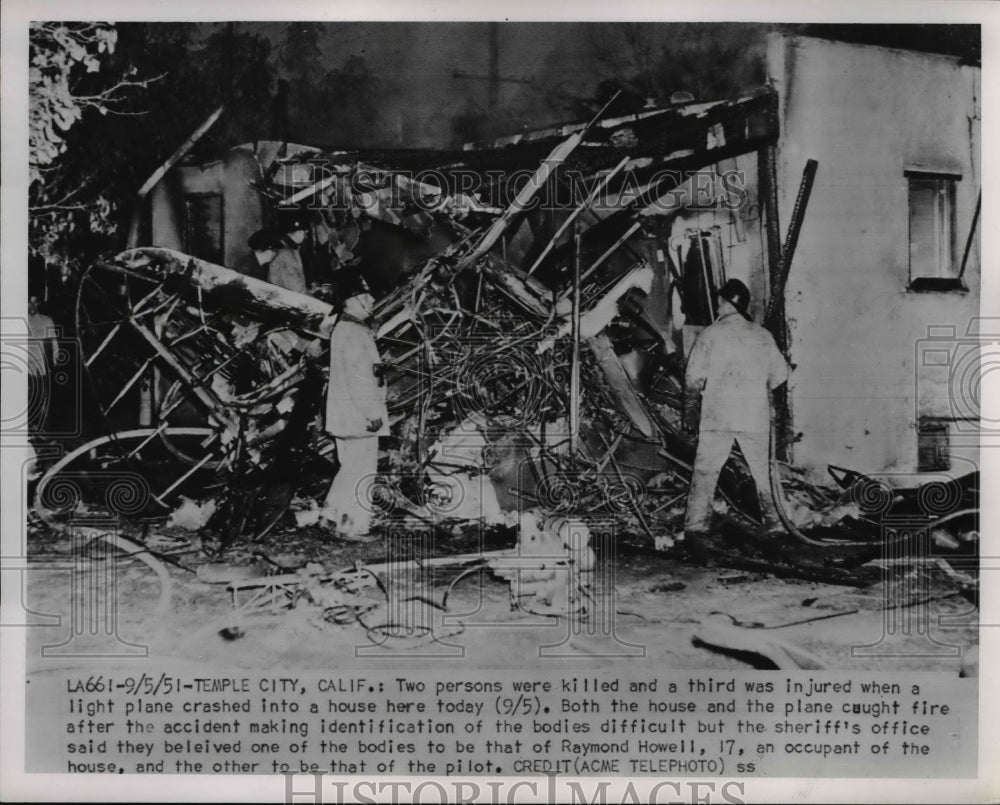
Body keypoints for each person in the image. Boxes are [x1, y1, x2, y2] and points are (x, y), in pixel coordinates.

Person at [682, 278, 789, 548]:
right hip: (754, 415)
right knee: (763, 472)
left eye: (719, 301)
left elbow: (693, 379)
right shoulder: (762, 335)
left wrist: (690, 412)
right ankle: (777, 523)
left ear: (728, 303)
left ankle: (696, 525)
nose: (717, 305)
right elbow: (779, 376)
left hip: (719, 415)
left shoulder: (710, 334)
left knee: (706, 470)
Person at [319, 271, 388, 540]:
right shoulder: (355, 332)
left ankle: (330, 515)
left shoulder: (342, 329)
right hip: (361, 415)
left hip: (345, 413)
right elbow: (361, 378)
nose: (371, 300)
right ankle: (352, 525)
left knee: (349, 466)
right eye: (366, 296)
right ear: (352, 300)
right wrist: (371, 413)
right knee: (361, 470)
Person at [27, 293, 56, 435]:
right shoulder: (21, 320)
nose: (32, 306)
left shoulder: (46, 320)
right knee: (29, 395)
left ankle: (42, 428)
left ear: (38, 303)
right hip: (25, 366)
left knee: (43, 395)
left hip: (42, 365)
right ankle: (28, 428)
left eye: (34, 302)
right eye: (28, 302)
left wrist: (54, 359)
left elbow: (53, 343)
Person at [268, 213, 309, 294]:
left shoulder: (289, 248)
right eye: (305, 233)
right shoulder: (286, 253)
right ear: (299, 232)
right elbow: (296, 289)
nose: (305, 237)